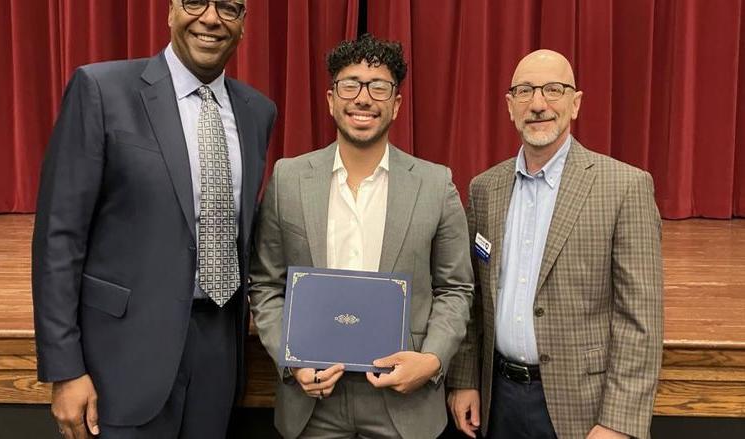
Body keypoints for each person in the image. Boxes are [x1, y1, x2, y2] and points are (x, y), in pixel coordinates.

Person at [32, 1, 276, 437]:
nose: (211, 18)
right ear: (169, 11)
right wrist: (65, 369)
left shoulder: (258, 112)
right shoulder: (101, 89)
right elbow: (59, 237)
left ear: (242, 24)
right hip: (122, 357)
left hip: (218, 354)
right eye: (195, 2)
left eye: (229, 7)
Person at [248, 33, 474, 439]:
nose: (363, 98)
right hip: (312, 407)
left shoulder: (436, 184)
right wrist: (292, 359)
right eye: (350, 85)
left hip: (405, 406)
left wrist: (432, 359)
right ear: (332, 98)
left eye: (379, 87)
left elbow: (456, 288)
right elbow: (266, 284)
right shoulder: (288, 179)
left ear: (396, 104)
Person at [447, 49, 663, 439]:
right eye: (525, 91)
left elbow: (640, 322)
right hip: (499, 402)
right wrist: (464, 379)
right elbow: (473, 299)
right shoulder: (484, 190)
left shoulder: (625, 187)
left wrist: (618, 421)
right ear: (510, 106)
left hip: (585, 409)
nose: (539, 104)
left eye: (553, 90)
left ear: (575, 103)